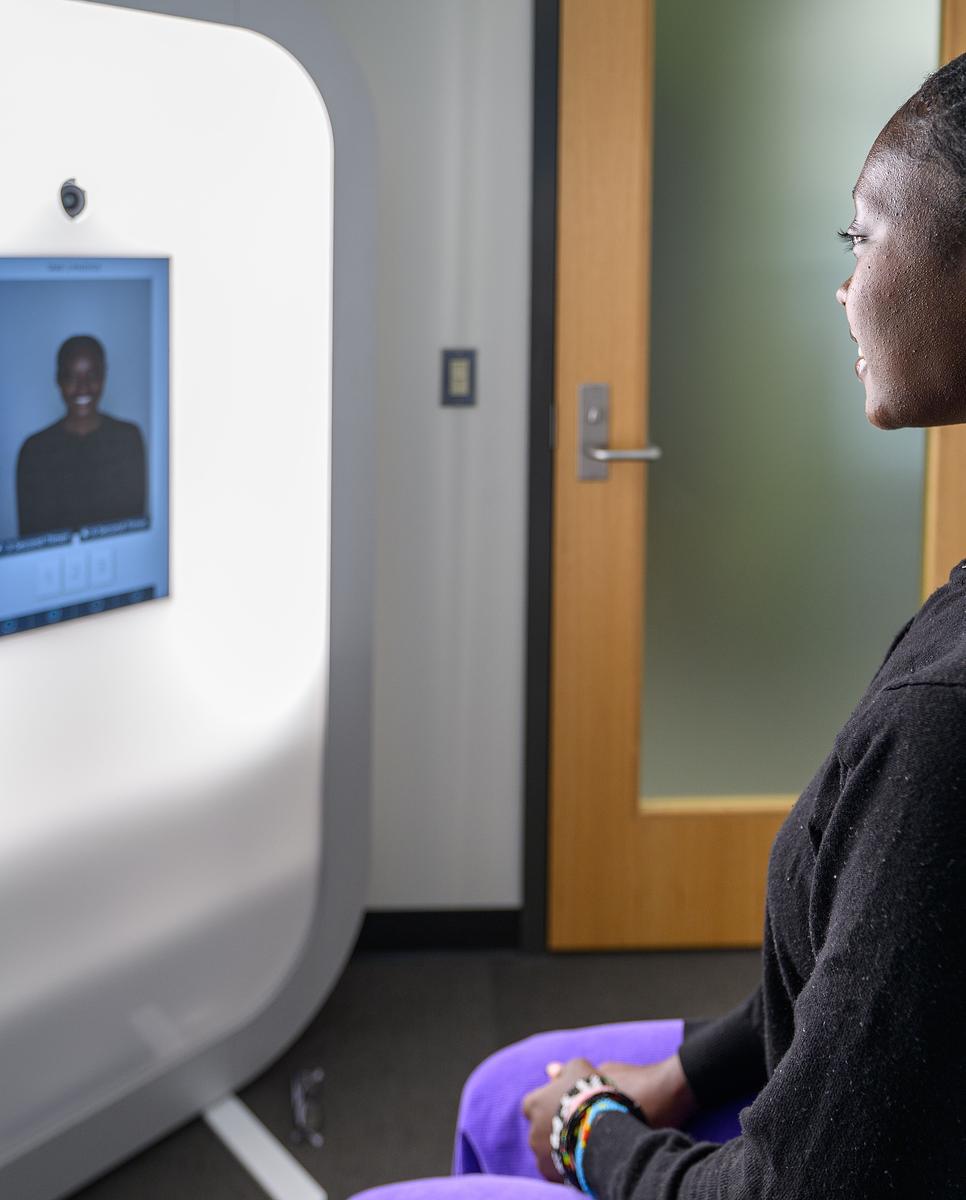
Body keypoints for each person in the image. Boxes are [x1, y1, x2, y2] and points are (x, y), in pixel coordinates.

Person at [349, 55, 966, 1200]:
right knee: (498, 1092)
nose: (842, 288)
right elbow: (879, 970)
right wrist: (684, 1077)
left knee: (481, 1137)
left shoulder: (942, 731)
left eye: (862, 238)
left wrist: (595, 1131)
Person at [16, 334, 146, 537]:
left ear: (104, 376)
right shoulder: (34, 451)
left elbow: (134, 527)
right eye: (71, 377)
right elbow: (32, 540)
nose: (83, 387)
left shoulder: (128, 439)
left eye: (92, 375)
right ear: (58, 379)